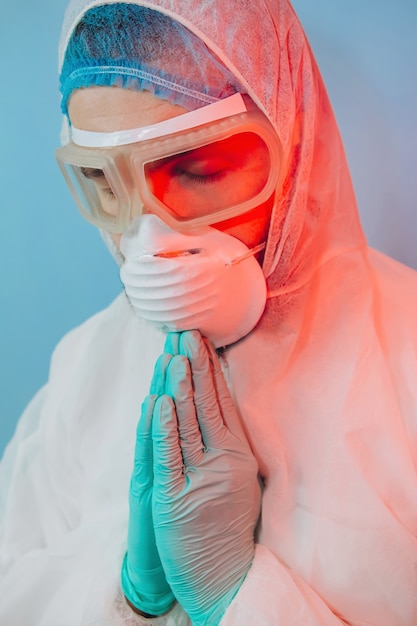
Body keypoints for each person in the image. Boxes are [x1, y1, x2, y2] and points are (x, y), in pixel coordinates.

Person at [1, 1, 417, 624]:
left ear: (293, 136)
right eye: (108, 184)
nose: (149, 241)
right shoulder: (86, 368)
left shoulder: (405, 356)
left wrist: (240, 596)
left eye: (196, 169)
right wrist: (128, 594)